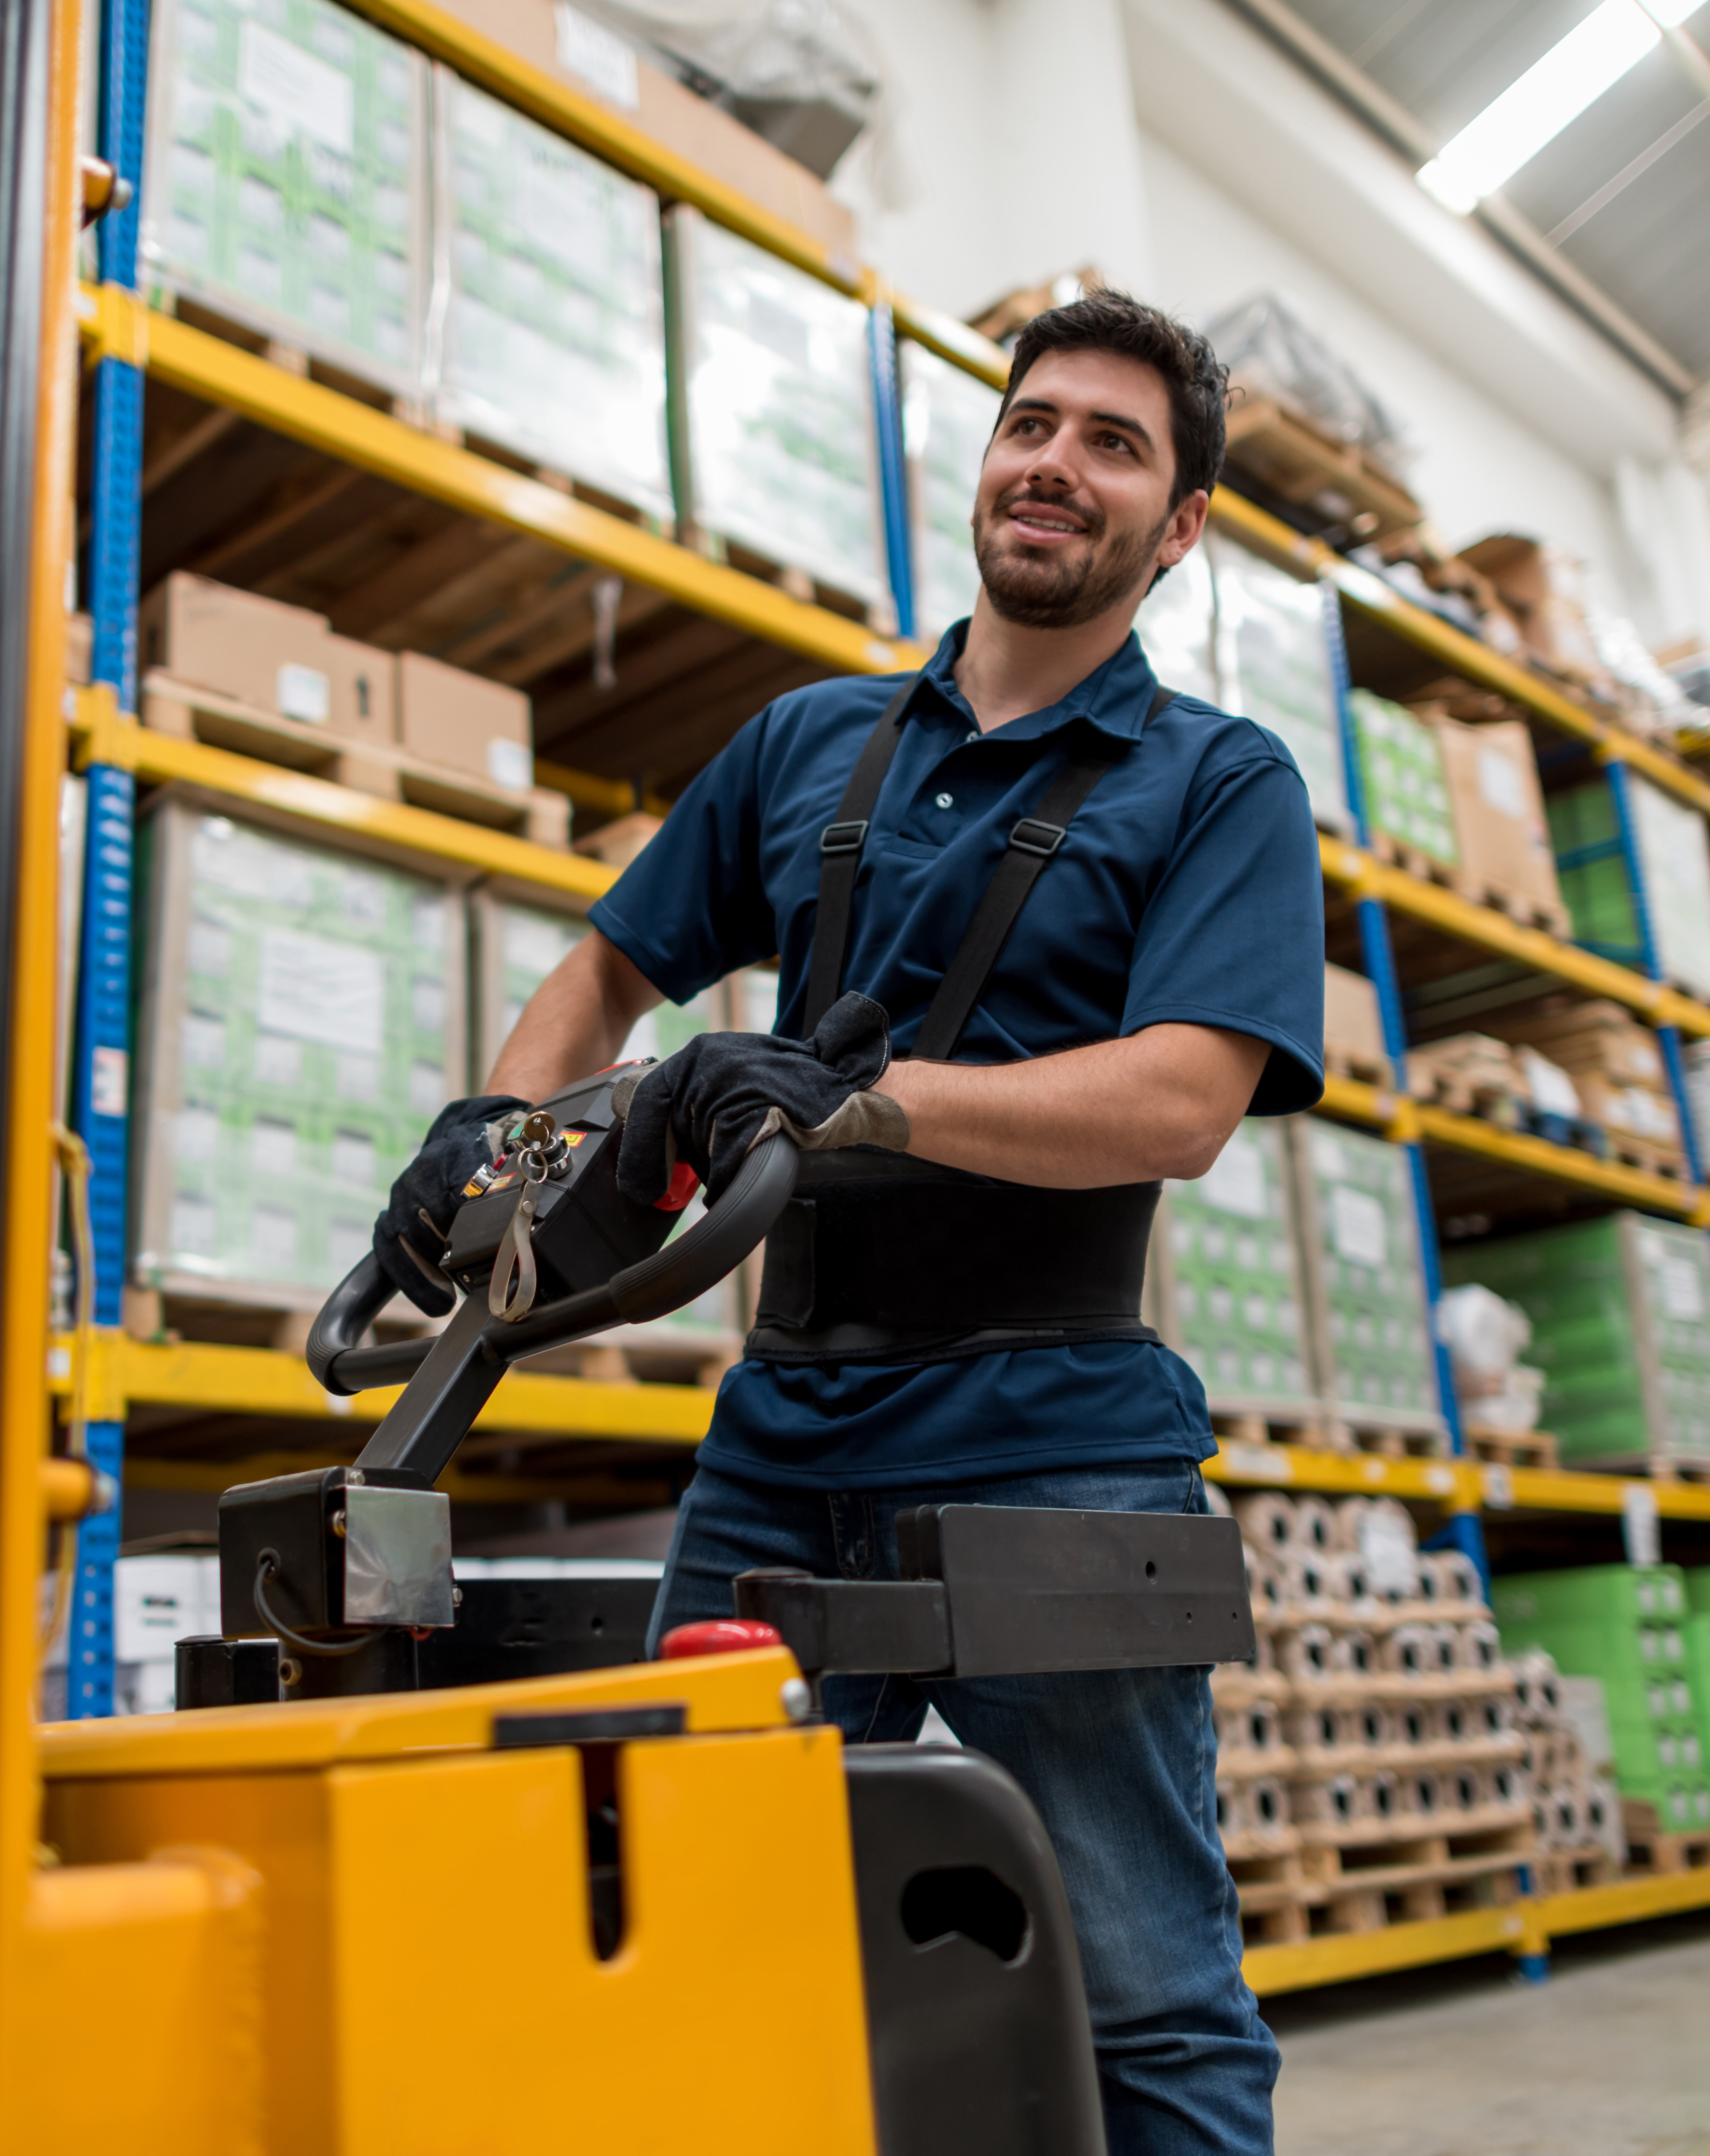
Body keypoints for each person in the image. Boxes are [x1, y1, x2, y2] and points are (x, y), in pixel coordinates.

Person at [373, 290, 1320, 2154]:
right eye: (1032, 423)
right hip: (784, 1431)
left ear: (1180, 526)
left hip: (1059, 1442)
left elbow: (1185, 1099)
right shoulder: (809, 741)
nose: (1056, 462)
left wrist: (851, 1097)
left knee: (1141, 1990)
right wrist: (493, 1142)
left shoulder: (1219, 780)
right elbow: (607, 969)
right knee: (691, 1915)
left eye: (1115, 444)